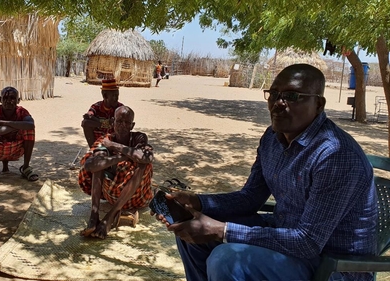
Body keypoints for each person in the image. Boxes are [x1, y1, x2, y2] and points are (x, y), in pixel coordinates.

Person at [153, 64, 377, 281]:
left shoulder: (335, 155)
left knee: (227, 260)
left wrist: (221, 230)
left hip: (332, 264)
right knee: (192, 234)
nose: (278, 103)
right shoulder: (272, 138)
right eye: (274, 94)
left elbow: (308, 242)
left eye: (292, 96)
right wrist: (197, 203)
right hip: (286, 236)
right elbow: (250, 198)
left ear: (319, 104)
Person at [78, 106, 154, 239]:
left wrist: (114, 146)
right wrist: (124, 156)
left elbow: (146, 157)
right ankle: (94, 215)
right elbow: (90, 166)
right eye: (119, 121)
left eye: (127, 123)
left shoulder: (139, 138)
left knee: (143, 165)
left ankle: (110, 216)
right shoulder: (105, 140)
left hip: (137, 197)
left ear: (132, 125)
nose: (123, 125)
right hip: (111, 194)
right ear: (113, 121)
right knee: (98, 163)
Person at [0, 86, 38, 186]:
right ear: (0, 99)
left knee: (29, 130)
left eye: (12, 98)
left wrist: (0, 122)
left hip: (16, 150)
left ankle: (25, 167)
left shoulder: (21, 111)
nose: (8, 101)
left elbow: (31, 125)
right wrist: (19, 125)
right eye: (5, 98)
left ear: (18, 100)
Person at [81, 79, 124, 148]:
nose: (116, 98)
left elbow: (115, 124)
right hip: (99, 141)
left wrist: (96, 121)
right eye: (113, 96)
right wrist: (106, 123)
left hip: (115, 143)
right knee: (85, 123)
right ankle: (94, 149)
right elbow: (88, 117)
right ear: (105, 96)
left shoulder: (120, 108)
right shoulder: (97, 106)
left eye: (117, 95)